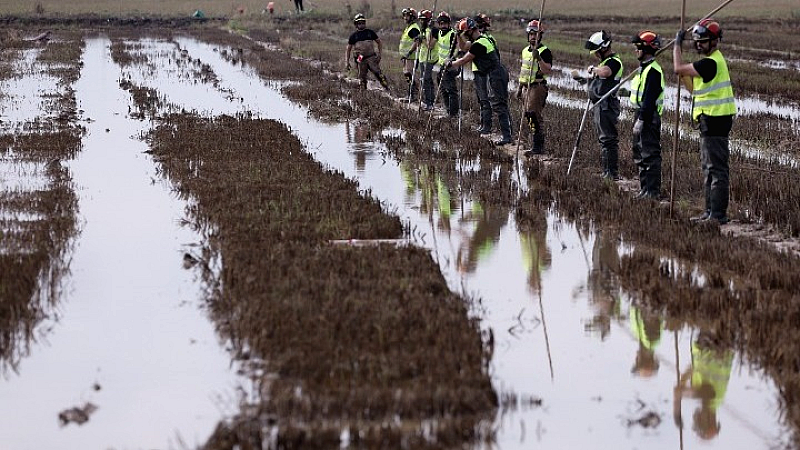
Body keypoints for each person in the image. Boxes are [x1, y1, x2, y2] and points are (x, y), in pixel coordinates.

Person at [674, 19, 736, 224]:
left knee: (717, 170)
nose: (698, 44)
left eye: (703, 41)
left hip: (716, 120)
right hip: (708, 120)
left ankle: (718, 215)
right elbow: (693, 90)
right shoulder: (707, 64)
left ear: (715, 41)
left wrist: (676, 45)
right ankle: (709, 212)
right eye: (696, 41)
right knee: (708, 168)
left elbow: (677, 67)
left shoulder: (711, 63)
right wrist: (684, 75)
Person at [449, 17, 512, 145]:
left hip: (496, 74)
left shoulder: (480, 44)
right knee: (496, 103)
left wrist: (450, 64)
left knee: (499, 105)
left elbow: (463, 60)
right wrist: (458, 35)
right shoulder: (478, 40)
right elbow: (463, 47)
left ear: (471, 31)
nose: (465, 36)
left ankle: (507, 136)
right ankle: (507, 135)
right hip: (493, 73)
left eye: (466, 34)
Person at [629, 30, 665, 199]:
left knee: (650, 154)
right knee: (640, 154)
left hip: (649, 117)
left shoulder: (653, 71)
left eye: (638, 47)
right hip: (640, 114)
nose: (635, 50)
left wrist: (642, 119)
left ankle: (652, 191)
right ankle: (644, 189)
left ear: (647, 49)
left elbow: (649, 99)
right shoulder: (643, 69)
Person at [585, 31, 623, 180]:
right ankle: (606, 171)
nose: (595, 55)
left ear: (604, 48)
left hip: (608, 105)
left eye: (596, 52)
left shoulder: (614, 62)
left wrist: (594, 70)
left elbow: (606, 73)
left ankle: (612, 173)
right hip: (600, 105)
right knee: (603, 140)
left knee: (609, 139)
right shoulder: (603, 62)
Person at [516, 19, 552, 156]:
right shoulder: (525, 51)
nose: (532, 37)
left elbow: (547, 70)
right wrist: (519, 88)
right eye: (530, 34)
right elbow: (523, 70)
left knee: (534, 115)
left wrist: (539, 58)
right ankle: (535, 145)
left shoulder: (544, 51)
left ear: (540, 35)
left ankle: (538, 147)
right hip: (526, 87)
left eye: (535, 34)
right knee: (528, 115)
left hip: (537, 87)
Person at [345, 13, 390, 91]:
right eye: (359, 23)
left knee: (378, 73)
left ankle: (387, 87)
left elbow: (379, 42)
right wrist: (347, 62)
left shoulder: (370, 32)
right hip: (360, 58)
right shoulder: (353, 36)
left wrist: (380, 54)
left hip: (371, 56)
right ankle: (363, 92)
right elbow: (348, 49)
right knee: (361, 76)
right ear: (356, 24)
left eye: (363, 22)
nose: (361, 24)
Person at [430, 11, 460, 118]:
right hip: (443, 65)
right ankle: (448, 110)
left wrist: (451, 58)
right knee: (442, 88)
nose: (443, 26)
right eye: (441, 24)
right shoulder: (439, 33)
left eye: (445, 23)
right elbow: (430, 43)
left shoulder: (452, 34)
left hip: (452, 65)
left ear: (449, 24)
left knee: (451, 89)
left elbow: (457, 49)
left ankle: (453, 113)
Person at [399, 7, 421, 101]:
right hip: (406, 57)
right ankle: (412, 93)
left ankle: (413, 94)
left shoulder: (414, 28)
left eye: (407, 15)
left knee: (409, 74)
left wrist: (409, 53)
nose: (405, 17)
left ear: (412, 17)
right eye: (404, 15)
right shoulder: (409, 27)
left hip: (411, 56)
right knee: (407, 74)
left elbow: (417, 42)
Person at [417, 9, 438, 110]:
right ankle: (426, 101)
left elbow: (430, 46)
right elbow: (422, 45)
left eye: (423, 20)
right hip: (422, 58)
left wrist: (423, 39)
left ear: (428, 20)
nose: (421, 21)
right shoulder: (424, 30)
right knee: (424, 80)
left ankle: (430, 102)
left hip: (429, 59)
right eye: (420, 19)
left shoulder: (433, 30)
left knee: (426, 80)